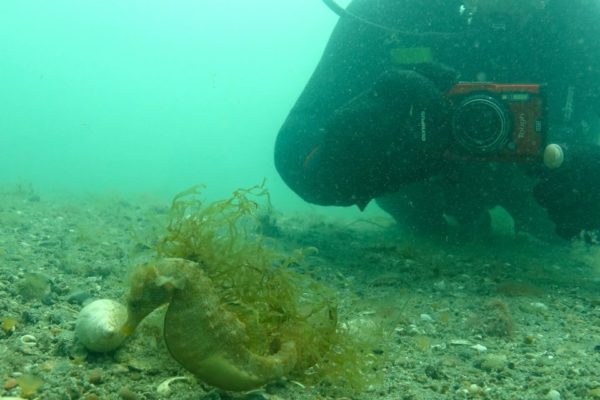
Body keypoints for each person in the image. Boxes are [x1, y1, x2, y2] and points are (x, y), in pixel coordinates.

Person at [274, 0, 600, 241]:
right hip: (414, 191)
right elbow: (295, 151)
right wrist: (341, 160)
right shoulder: (389, 14)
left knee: (553, 231)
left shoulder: (581, 25)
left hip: (541, 194)